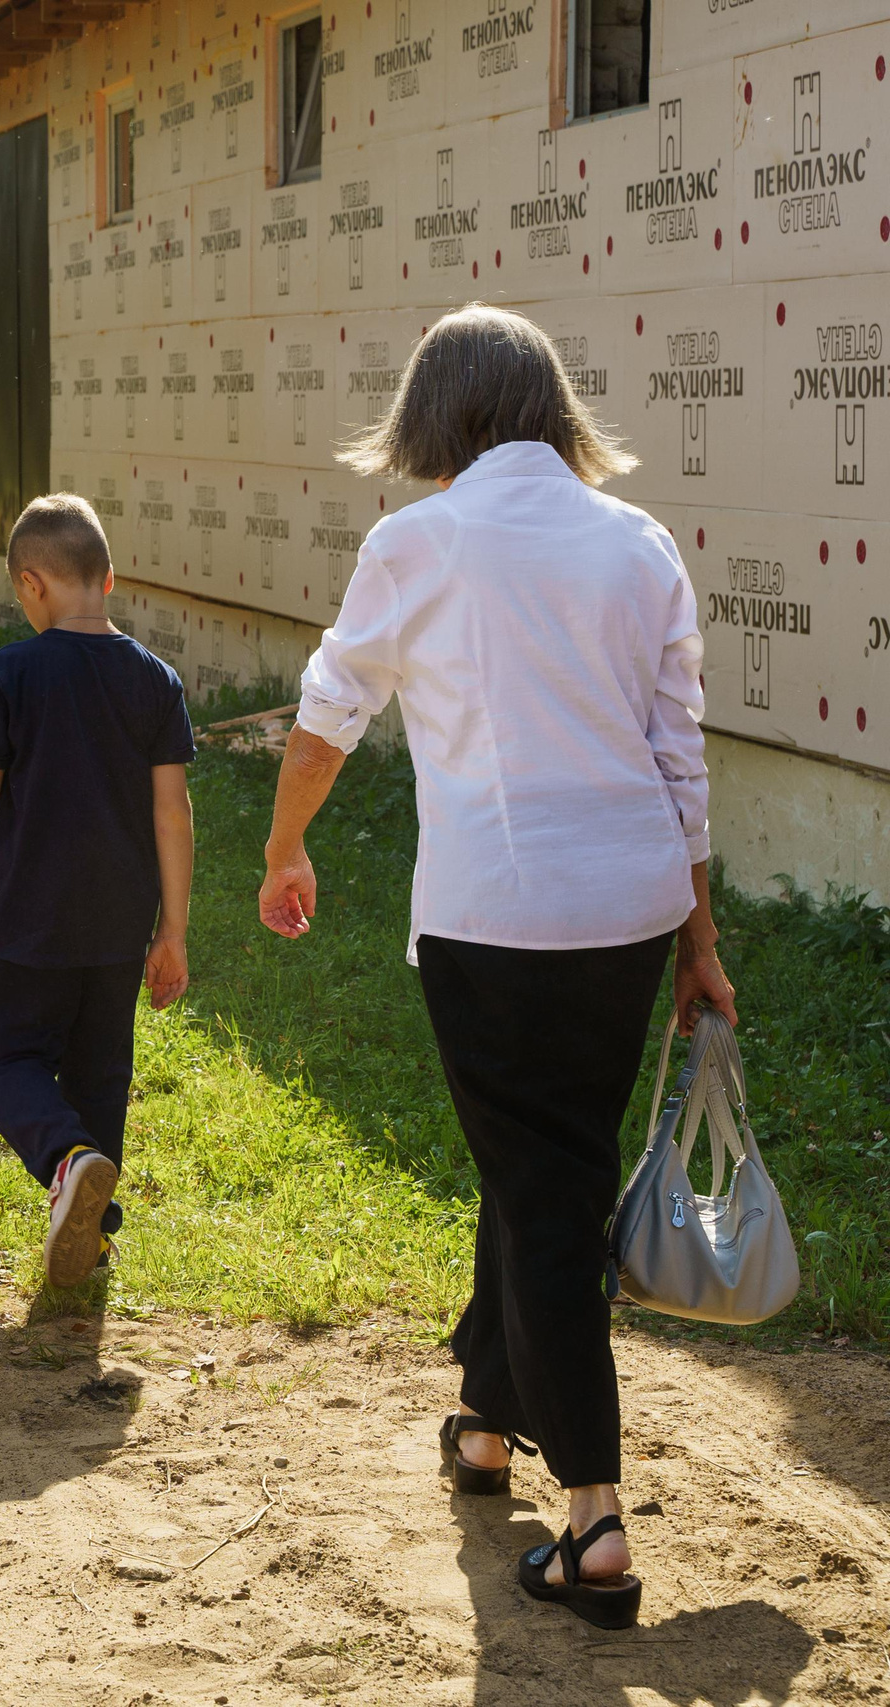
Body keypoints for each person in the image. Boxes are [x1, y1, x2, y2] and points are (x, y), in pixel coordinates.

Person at [257, 304, 737, 1632]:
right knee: (538, 1155)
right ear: (549, 403)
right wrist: (699, 939)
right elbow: (681, 757)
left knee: (542, 1193)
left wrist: (286, 846)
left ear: (435, 415)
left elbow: (329, 707)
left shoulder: (416, 542)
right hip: (631, 911)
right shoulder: (639, 541)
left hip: (495, 916)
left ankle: (593, 1522)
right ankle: (484, 1417)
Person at [0, 495, 193, 1286]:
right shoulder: (156, 679)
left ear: (31, 585)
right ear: (107, 577)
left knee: (3, 1061)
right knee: (99, 1072)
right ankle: (96, 1233)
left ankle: (68, 1157)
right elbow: (172, 812)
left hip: (30, 921)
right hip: (118, 925)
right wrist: (171, 929)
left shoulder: (11, 671)